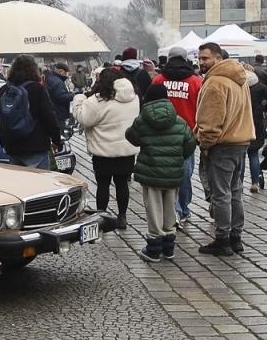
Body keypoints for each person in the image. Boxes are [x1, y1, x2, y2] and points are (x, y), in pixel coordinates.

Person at [193, 42, 254, 256]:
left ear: (218, 58)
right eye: (199, 58)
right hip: (241, 142)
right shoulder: (240, 79)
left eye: (205, 58)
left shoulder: (215, 83)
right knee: (235, 191)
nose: (201, 62)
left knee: (221, 194)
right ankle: (236, 237)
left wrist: (206, 145)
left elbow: (210, 122)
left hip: (222, 145)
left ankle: (223, 238)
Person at [126, 85, 196, 262]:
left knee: (154, 209)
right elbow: (190, 146)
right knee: (170, 208)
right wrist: (175, 159)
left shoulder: (142, 120)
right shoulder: (179, 121)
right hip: (173, 174)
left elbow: (131, 137)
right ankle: (169, 247)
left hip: (151, 173)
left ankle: (154, 248)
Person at [71, 65, 140, 223]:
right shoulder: (133, 96)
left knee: (103, 185)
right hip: (126, 149)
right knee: (122, 184)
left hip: (103, 151)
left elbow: (84, 118)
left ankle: (101, 217)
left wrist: (79, 99)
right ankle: (122, 217)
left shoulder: (98, 100)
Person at [152, 47, 202, 227]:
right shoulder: (196, 82)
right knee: (185, 174)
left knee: (167, 175)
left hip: (162, 135)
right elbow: (202, 109)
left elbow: (149, 105)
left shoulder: (158, 80)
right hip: (187, 135)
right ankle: (183, 209)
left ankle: (173, 209)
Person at [0, 54, 63, 168]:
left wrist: (4, 142)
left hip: (12, 146)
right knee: (40, 184)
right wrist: (56, 139)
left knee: (18, 184)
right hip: (35, 146)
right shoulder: (37, 89)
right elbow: (48, 116)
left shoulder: (4, 90)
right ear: (34, 70)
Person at [245, 63, 267, 192]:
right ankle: (255, 183)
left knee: (241, 155)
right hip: (257, 120)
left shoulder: (238, 86)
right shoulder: (258, 86)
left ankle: (239, 184)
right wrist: (265, 109)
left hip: (241, 121)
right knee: (253, 154)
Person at [43, 62, 75, 126]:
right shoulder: (57, 81)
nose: (66, 75)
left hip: (53, 111)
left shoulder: (51, 78)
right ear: (60, 71)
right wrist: (73, 95)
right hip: (58, 112)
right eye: (65, 73)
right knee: (60, 130)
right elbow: (60, 97)